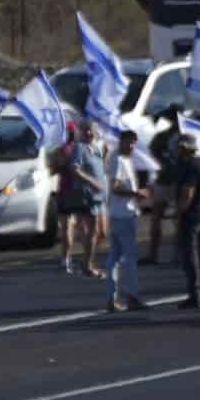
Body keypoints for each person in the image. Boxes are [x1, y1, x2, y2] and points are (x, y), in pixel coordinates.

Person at [171, 133, 200, 309]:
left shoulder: (189, 166)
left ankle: (195, 294)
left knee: (191, 257)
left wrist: (179, 213)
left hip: (191, 216)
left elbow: (188, 192)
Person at [102, 127, 147, 312]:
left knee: (115, 257)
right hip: (123, 214)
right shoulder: (118, 159)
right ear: (121, 142)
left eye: (133, 142)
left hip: (119, 213)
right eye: (128, 142)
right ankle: (132, 296)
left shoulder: (124, 159)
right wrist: (135, 194)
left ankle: (111, 298)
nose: (131, 146)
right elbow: (115, 187)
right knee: (128, 257)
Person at [56, 119, 105, 276]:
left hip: (98, 196)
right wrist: (91, 182)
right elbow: (74, 168)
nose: (89, 133)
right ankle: (86, 264)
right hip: (86, 195)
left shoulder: (97, 149)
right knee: (92, 229)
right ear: (80, 132)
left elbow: (101, 169)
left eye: (92, 130)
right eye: (86, 130)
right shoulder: (80, 148)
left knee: (97, 231)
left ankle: (87, 262)